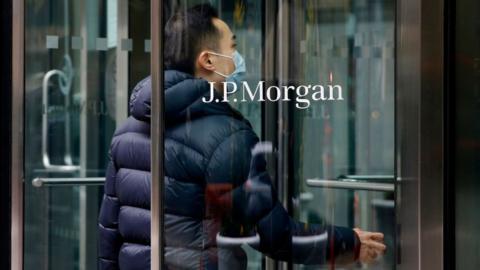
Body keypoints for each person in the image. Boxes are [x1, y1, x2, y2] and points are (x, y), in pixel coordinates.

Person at [98, 4, 386, 269]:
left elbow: (109, 235)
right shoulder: (227, 138)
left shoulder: (125, 133)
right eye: (233, 49)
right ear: (208, 60)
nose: (237, 62)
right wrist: (350, 243)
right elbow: (275, 234)